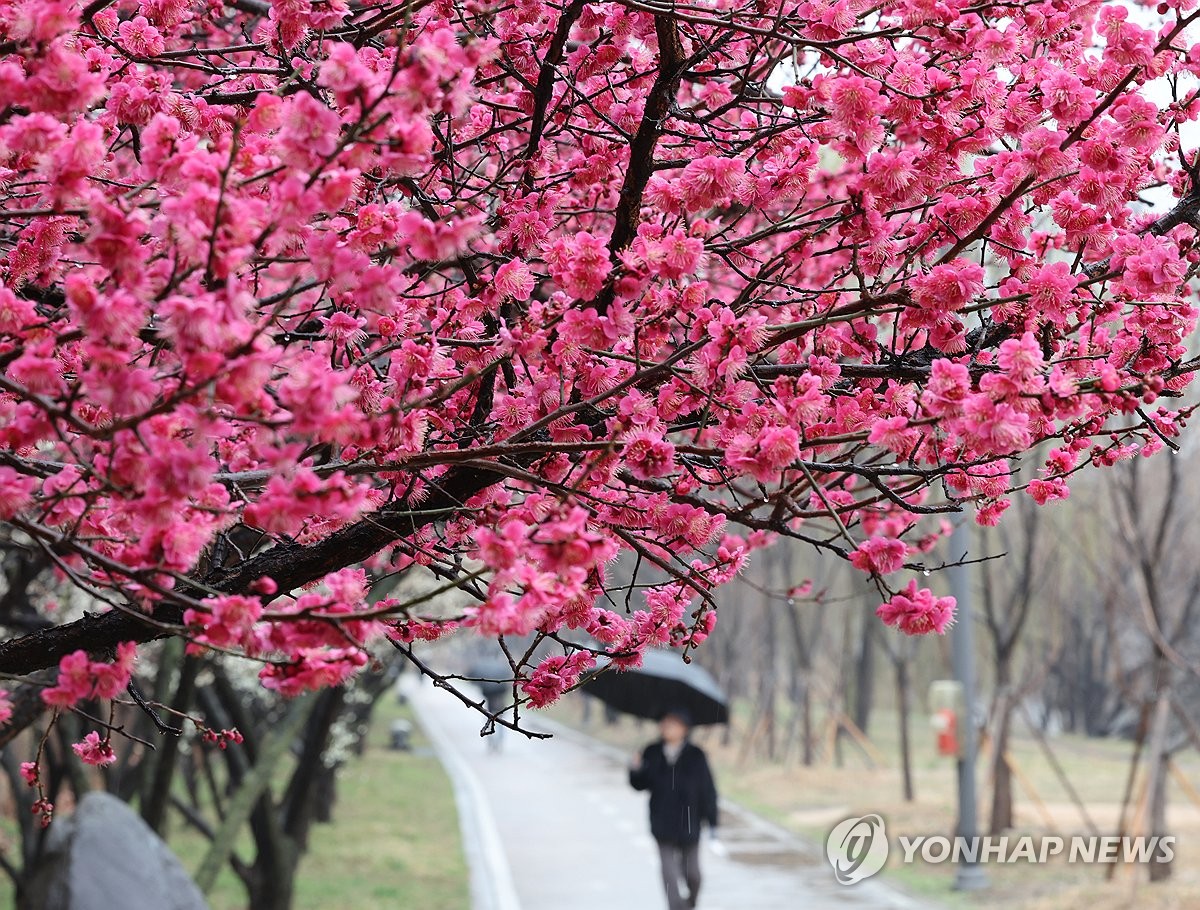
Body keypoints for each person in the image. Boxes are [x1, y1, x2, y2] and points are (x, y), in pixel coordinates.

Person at [629, 708, 719, 910]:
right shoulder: (652, 751)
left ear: (684, 728)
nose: (666, 727)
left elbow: (708, 791)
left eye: (672, 723)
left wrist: (712, 822)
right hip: (662, 823)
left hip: (690, 823)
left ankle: (689, 904)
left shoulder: (696, 755)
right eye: (664, 722)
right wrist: (636, 768)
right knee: (669, 875)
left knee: (693, 875)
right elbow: (640, 784)